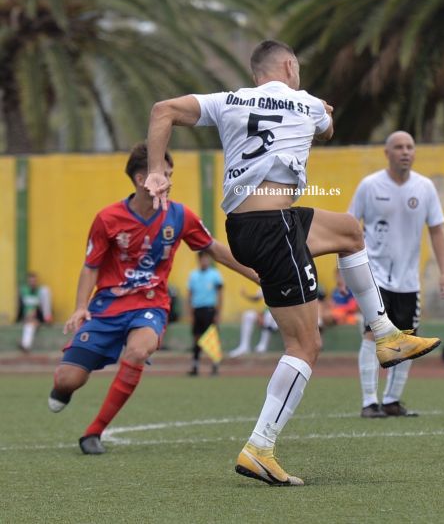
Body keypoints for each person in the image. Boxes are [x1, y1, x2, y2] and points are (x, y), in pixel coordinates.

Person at [144, 39, 442, 486]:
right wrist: (321, 112)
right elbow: (327, 128)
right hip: (273, 228)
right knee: (305, 346)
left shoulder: (227, 100)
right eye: (296, 70)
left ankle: (385, 334)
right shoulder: (305, 103)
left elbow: (161, 110)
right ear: (288, 66)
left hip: (249, 226)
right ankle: (260, 446)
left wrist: (156, 170)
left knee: (348, 230)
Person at [48, 143, 260, 456]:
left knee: (138, 350)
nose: (170, 182)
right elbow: (90, 266)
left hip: (150, 305)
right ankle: (63, 388)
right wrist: (81, 307)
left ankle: (94, 432)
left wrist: (259, 275)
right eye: (164, 175)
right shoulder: (107, 219)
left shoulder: (180, 216)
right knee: (68, 380)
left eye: (171, 175)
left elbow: (214, 248)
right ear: (140, 179)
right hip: (106, 308)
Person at [349, 131, 444, 418]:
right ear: (387, 153)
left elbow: (437, 230)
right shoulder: (369, 186)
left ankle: (392, 400)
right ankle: (370, 402)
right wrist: (341, 268)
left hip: (408, 282)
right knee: (373, 335)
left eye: (410, 147)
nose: (405, 151)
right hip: (374, 277)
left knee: (407, 337)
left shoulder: (425, 187)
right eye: (398, 147)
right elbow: (349, 226)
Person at [187, 250, 224, 376]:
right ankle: (195, 366)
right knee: (197, 338)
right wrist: (191, 313)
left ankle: (215, 365)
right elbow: (190, 295)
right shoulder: (193, 275)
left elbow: (220, 294)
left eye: (207, 259)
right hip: (198, 310)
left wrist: (218, 312)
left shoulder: (215, 274)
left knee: (212, 338)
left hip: (210, 310)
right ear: (199, 260)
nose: (205, 261)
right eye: (202, 259)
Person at [228, 288, 280, 358]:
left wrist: (263, 315)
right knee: (248, 315)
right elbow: (257, 298)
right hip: (266, 314)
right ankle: (244, 346)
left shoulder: (281, 282)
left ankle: (263, 346)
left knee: (268, 316)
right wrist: (246, 295)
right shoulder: (264, 281)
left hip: (279, 316)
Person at [16, 271, 53, 352]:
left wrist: (36, 312)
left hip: (38, 316)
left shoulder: (41, 291)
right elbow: (20, 307)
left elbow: (42, 306)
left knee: (31, 323)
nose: (32, 283)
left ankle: (25, 344)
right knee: (29, 323)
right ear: (28, 281)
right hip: (27, 317)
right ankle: (25, 345)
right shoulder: (23, 290)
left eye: (34, 281)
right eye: (30, 281)